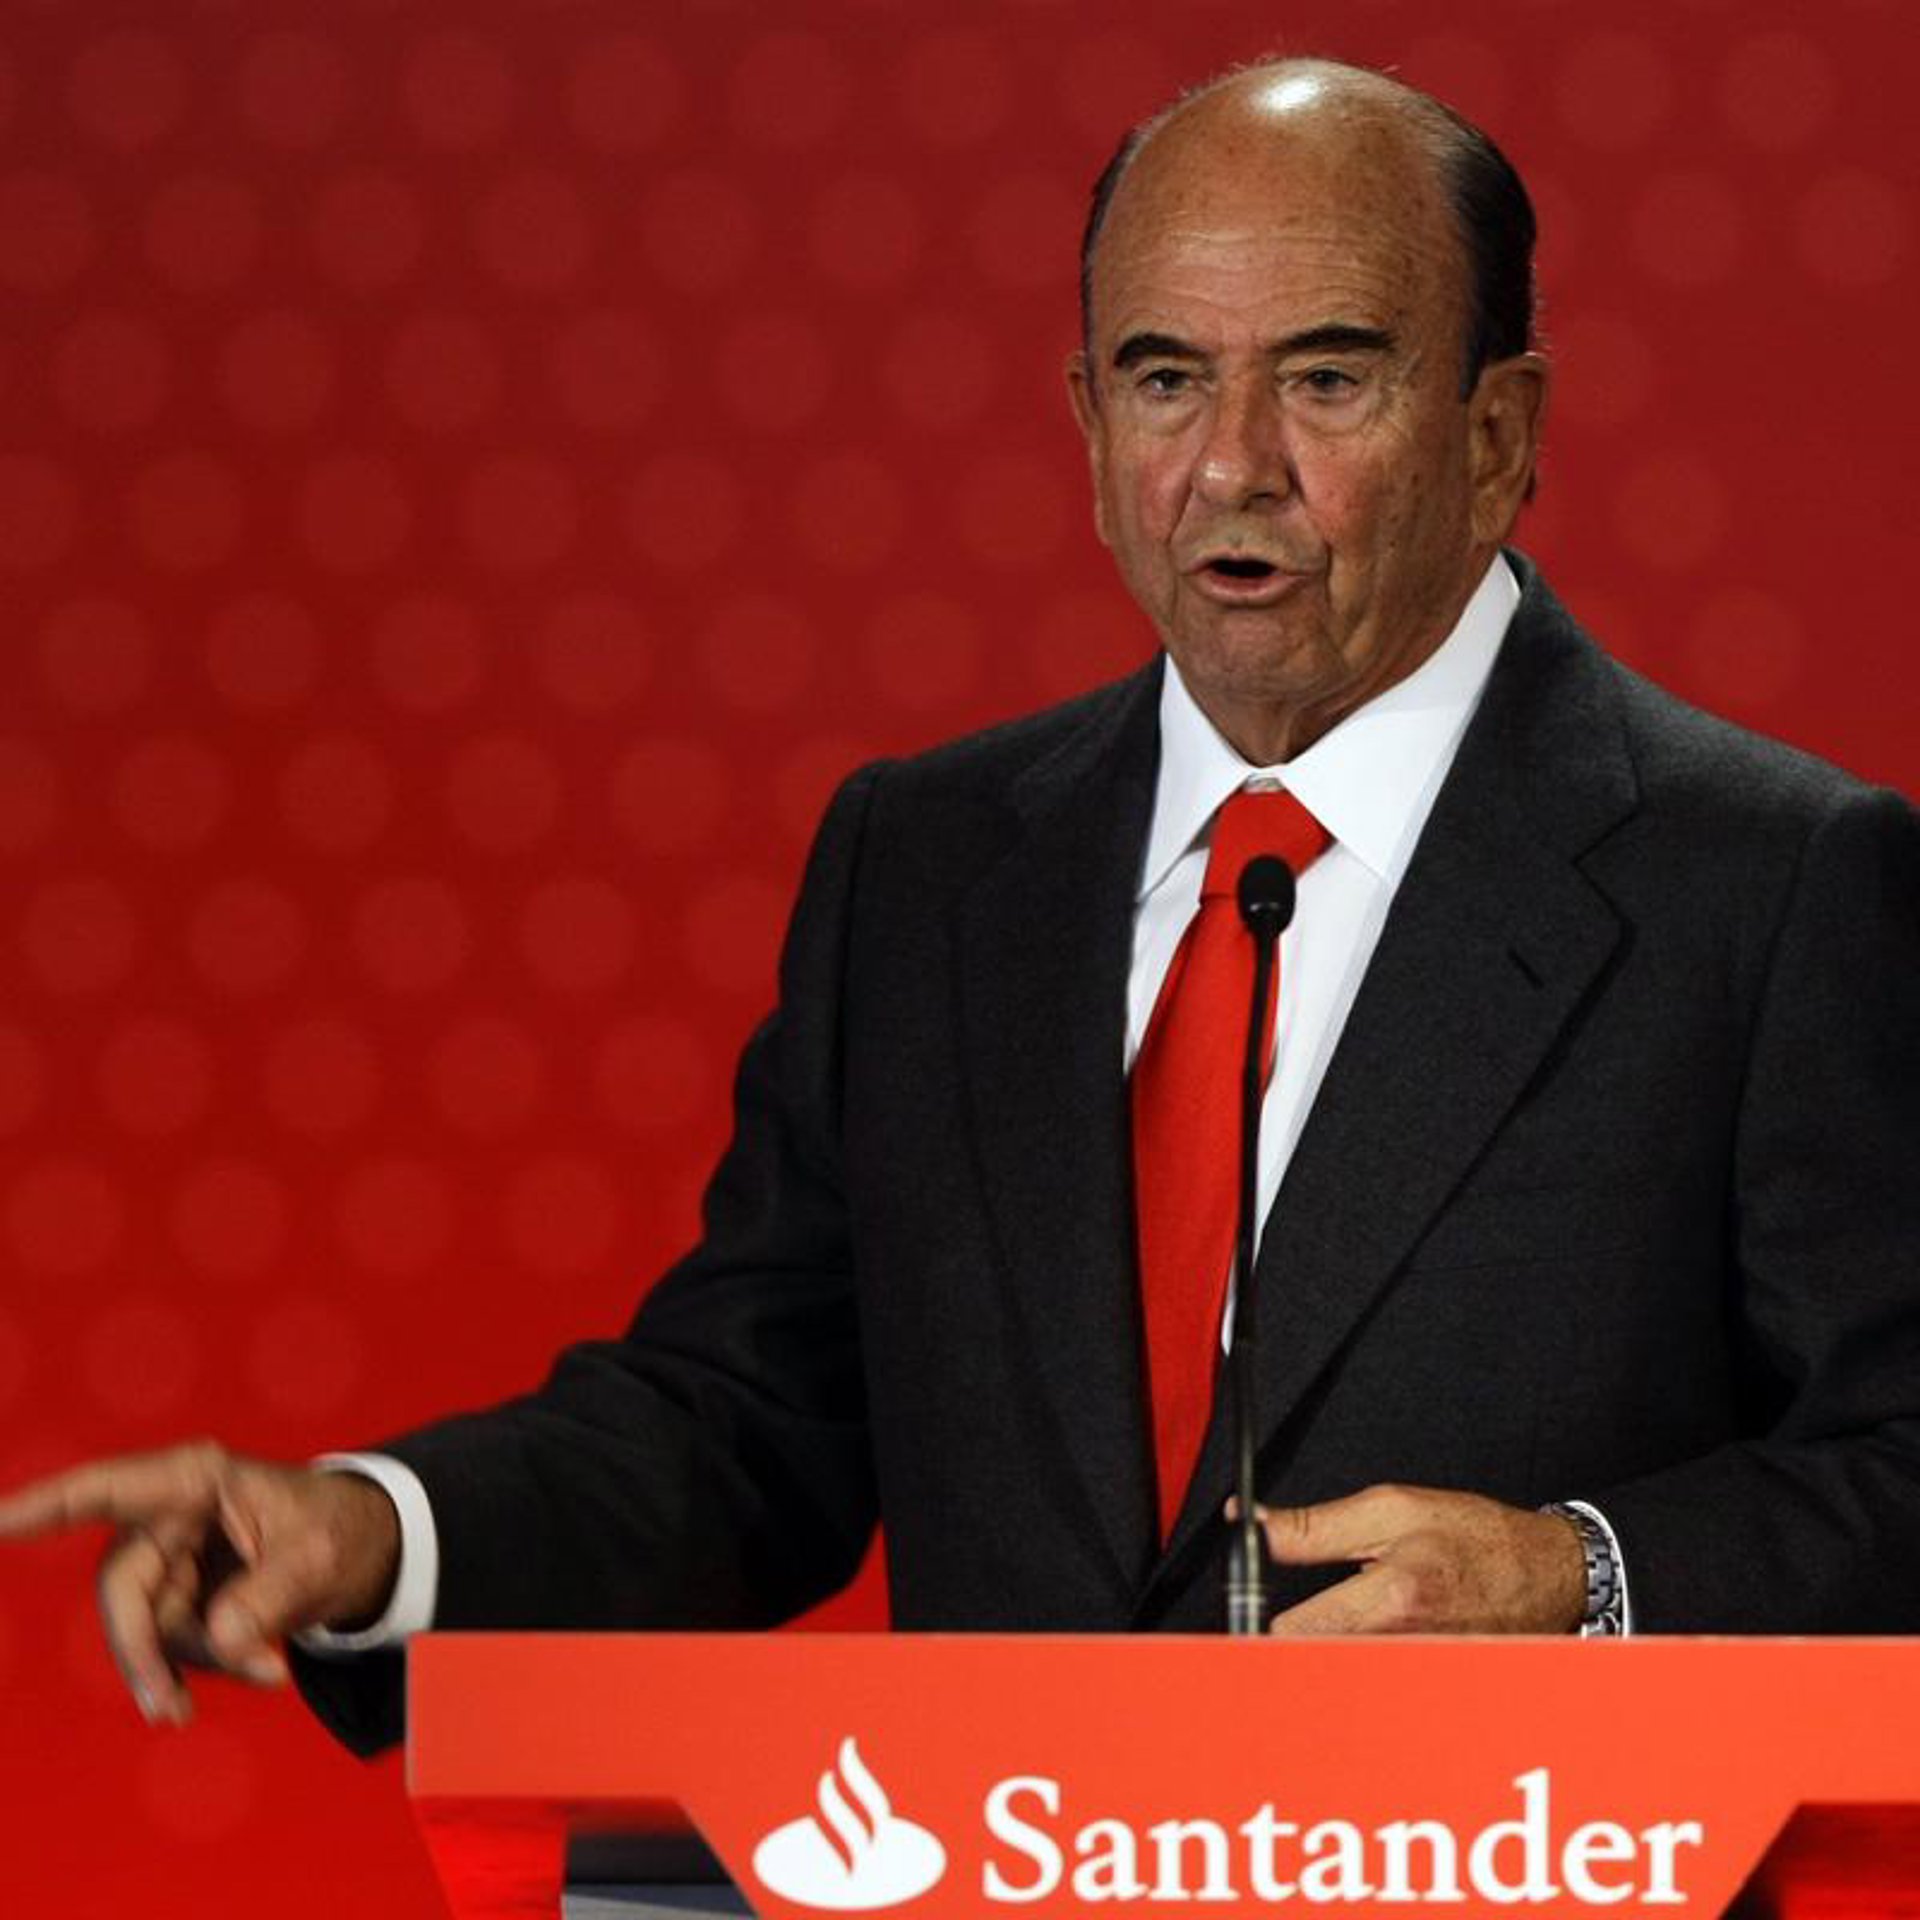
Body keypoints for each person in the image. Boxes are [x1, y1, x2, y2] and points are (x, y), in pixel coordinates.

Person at [5, 58, 1918, 1760]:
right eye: (1166, 380)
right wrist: (375, 1533)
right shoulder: (925, 867)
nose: (1232, 466)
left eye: (1329, 378)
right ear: (1089, 426)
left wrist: (1580, 1579)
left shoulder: (1776, 885)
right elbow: (755, 1418)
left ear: (1499, 432)